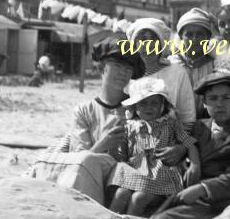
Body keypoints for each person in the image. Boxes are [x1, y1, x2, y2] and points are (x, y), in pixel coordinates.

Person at [28, 32, 148, 205]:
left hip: (119, 185)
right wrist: (104, 143)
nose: (123, 73)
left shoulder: (136, 109)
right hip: (85, 179)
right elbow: (78, 159)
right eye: (118, 65)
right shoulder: (84, 111)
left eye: (128, 68)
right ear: (101, 68)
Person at [151, 70, 230, 219]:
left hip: (216, 202)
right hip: (182, 193)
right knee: (149, 216)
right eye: (213, 99)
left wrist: (202, 189)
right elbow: (184, 150)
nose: (219, 104)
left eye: (226, 98)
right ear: (204, 103)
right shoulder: (198, 127)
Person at [108, 77, 200, 217]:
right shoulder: (129, 127)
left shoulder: (170, 123)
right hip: (135, 171)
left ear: (163, 105)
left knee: (138, 198)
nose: (149, 107)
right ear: (135, 106)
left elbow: (189, 143)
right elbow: (121, 154)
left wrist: (195, 164)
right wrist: (114, 146)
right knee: (121, 194)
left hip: (160, 174)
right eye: (143, 103)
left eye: (154, 103)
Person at [126, 18, 196, 132]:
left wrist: (180, 146)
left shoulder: (177, 72)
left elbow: (188, 116)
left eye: (154, 39)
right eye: (142, 39)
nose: (148, 45)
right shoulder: (127, 74)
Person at [169, 7, 216, 118]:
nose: (194, 39)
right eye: (189, 35)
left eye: (199, 34)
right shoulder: (171, 64)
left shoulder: (216, 65)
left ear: (208, 37)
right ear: (181, 37)